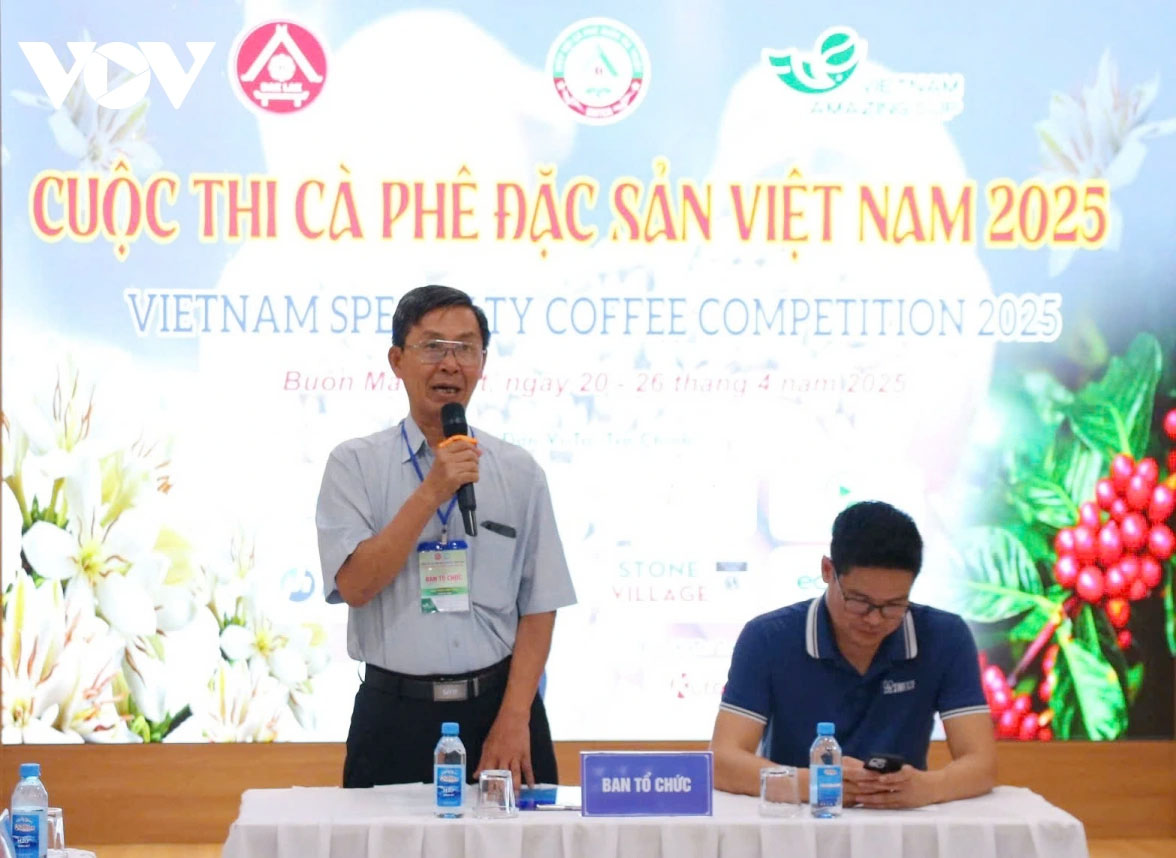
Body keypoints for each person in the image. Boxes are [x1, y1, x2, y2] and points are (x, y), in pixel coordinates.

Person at [316, 284, 576, 790]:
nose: (450, 364)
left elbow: (540, 605)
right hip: (394, 716)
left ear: (483, 362)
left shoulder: (518, 471)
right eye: (433, 346)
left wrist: (515, 717)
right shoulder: (354, 465)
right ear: (397, 360)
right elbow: (355, 586)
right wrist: (432, 490)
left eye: (465, 348)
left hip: (499, 713)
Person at [710, 500, 996, 808]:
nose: (874, 619)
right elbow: (722, 762)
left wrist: (928, 788)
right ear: (827, 571)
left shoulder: (944, 636)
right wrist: (818, 784)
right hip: (798, 819)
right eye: (859, 601)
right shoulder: (768, 637)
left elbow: (982, 764)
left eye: (894, 605)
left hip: (901, 822)